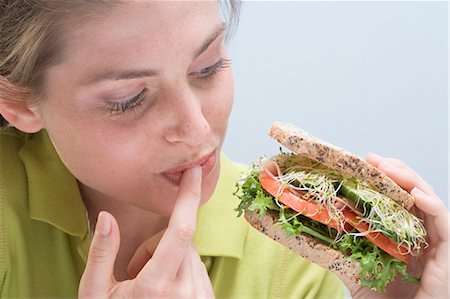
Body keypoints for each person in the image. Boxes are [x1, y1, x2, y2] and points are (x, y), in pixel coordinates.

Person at [0, 1, 447, 298]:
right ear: (18, 104)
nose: (197, 132)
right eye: (129, 99)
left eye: (209, 66)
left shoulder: (296, 251)